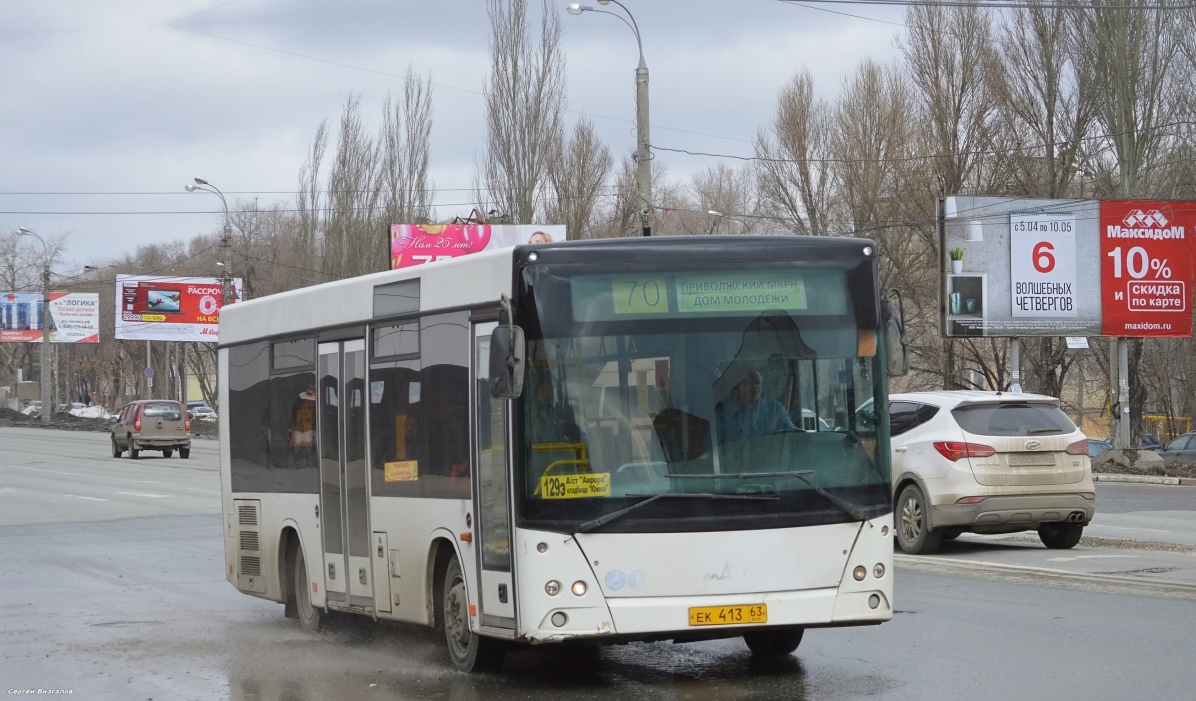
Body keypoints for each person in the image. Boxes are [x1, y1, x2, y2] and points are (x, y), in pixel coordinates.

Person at [714, 367, 794, 445]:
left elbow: (793, 438)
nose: (754, 386)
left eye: (757, 382)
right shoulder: (724, 413)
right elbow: (712, 448)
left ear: (762, 386)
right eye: (748, 383)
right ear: (737, 388)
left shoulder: (775, 409)